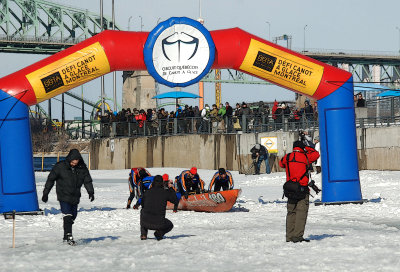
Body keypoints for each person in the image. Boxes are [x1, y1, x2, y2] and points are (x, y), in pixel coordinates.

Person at [41, 149, 94, 246]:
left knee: (73, 216)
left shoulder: (82, 168)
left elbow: (87, 180)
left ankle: (66, 235)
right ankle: (69, 237)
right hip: (63, 195)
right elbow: (50, 179)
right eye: (73, 162)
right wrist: (46, 193)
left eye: (76, 162)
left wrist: (90, 192)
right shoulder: (60, 167)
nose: (74, 164)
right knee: (67, 215)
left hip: (75, 196)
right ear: (69, 159)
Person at [279, 141, 320, 243]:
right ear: (302, 148)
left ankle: (289, 236)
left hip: (290, 189)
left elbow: (281, 164)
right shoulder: (305, 157)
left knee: (291, 212)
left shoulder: (287, 157)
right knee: (301, 213)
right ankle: (297, 236)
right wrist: (307, 147)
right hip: (302, 189)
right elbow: (316, 154)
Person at [140, 175, 179, 241]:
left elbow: (142, 204)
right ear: (162, 183)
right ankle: (159, 233)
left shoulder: (147, 192)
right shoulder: (165, 192)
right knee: (170, 225)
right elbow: (175, 201)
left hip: (145, 222)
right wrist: (170, 188)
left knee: (143, 212)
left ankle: (143, 234)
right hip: (159, 224)